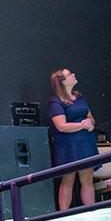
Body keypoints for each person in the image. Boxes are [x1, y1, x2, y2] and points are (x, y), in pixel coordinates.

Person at [48, 68, 98, 211]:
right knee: (68, 180)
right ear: (63, 81)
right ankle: (63, 214)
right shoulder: (56, 102)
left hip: (86, 142)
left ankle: (91, 212)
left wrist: (90, 125)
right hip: (69, 145)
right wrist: (81, 125)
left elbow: (91, 118)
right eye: (70, 74)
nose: (74, 75)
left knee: (87, 179)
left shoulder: (80, 98)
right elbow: (61, 126)